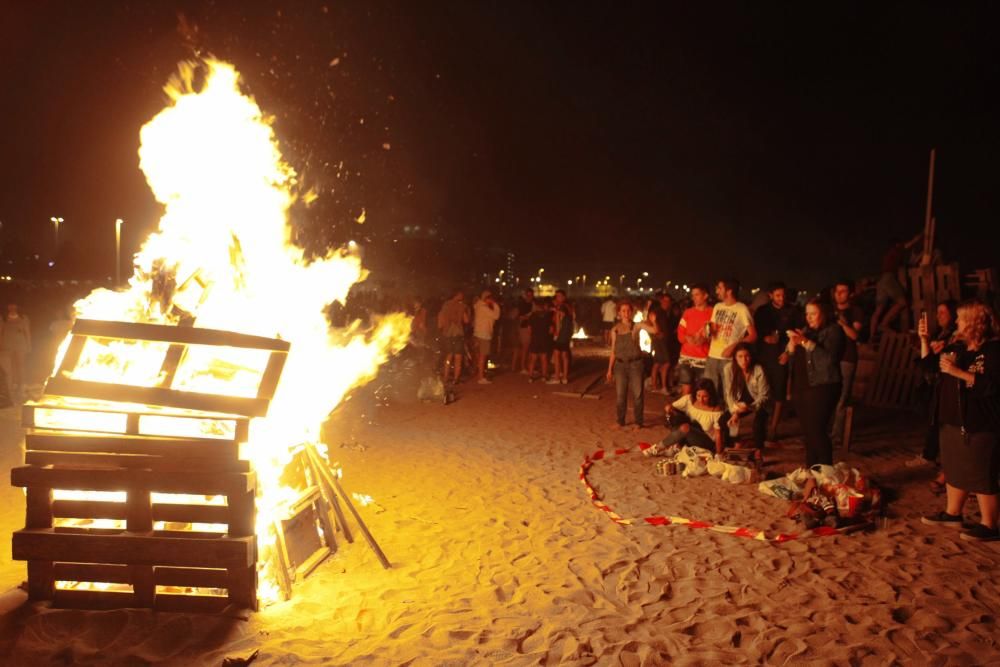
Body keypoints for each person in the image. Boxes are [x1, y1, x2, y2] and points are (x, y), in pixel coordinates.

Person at [921, 299, 1000, 541]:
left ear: (975, 323)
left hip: (981, 422)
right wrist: (924, 341)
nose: (956, 322)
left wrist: (958, 373)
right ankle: (953, 513)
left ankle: (990, 525)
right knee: (955, 467)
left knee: (981, 472)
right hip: (953, 420)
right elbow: (930, 366)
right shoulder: (960, 348)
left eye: (961, 318)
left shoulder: (994, 352)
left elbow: (993, 387)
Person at [787, 299, 844, 467]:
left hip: (823, 386)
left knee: (817, 431)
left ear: (824, 314)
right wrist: (791, 347)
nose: (809, 317)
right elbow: (794, 361)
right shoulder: (806, 331)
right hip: (802, 386)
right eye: (807, 314)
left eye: (813, 314)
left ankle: (826, 472)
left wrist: (805, 342)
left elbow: (828, 361)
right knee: (808, 433)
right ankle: (812, 472)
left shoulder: (834, 331)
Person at [908, 301, 958, 484]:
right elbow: (928, 362)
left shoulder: (956, 338)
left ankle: (948, 469)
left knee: (945, 425)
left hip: (952, 387)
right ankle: (938, 461)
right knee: (935, 420)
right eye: (938, 312)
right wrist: (923, 341)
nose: (939, 316)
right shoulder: (940, 333)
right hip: (937, 383)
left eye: (943, 312)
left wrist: (942, 348)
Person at [753, 282, 799, 440]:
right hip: (764, 356)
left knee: (779, 392)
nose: (782, 298)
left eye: (784, 295)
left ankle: (773, 427)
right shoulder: (762, 312)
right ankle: (760, 423)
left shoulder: (792, 311)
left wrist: (787, 353)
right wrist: (765, 337)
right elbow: (756, 333)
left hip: (781, 357)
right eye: (778, 295)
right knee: (762, 391)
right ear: (770, 295)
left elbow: (796, 335)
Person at [705, 278, 757, 394]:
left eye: (719, 288)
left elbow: (753, 336)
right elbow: (712, 329)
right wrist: (706, 331)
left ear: (729, 291)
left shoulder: (741, 309)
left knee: (729, 393)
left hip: (729, 359)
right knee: (709, 391)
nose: (716, 291)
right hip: (712, 356)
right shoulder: (717, 306)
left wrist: (733, 347)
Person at [606, 301, 653, 430]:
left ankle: (638, 422)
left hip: (636, 364)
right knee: (621, 396)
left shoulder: (636, 326)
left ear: (631, 312)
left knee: (638, 395)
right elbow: (613, 351)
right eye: (623, 311)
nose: (626, 313)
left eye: (628, 310)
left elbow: (654, 330)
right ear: (619, 313)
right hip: (620, 365)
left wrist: (651, 319)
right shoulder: (615, 330)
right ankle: (620, 421)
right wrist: (609, 369)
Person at [831, 279, 865, 445]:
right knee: (828, 396)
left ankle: (837, 436)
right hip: (830, 358)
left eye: (843, 291)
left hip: (847, 358)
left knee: (842, 398)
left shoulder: (856, 311)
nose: (839, 294)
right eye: (837, 291)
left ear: (850, 294)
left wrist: (843, 323)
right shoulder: (828, 311)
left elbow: (855, 335)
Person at [870, 232, 922, 339]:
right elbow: (910, 243)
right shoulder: (896, 250)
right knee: (902, 302)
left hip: (881, 280)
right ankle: (884, 324)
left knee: (878, 310)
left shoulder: (888, 254)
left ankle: (872, 336)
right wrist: (920, 236)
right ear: (897, 244)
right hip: (889, 278)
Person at [721, 342, 770, 452]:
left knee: (758, 423)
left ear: (751, 356)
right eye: (740, 356)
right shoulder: (728, 369)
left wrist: (749, 407)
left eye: (747, 356)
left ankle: (758, 450)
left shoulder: (758, 369)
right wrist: (735, 412)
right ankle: (735, 444)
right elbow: (729, 393)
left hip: (756, 404)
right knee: (724, 420)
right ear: (735, 357)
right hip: (738, 404)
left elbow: (764, 395)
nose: (744, 360)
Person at [655, 379, 724, 455]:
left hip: (706, 442)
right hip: (689, 436)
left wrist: (718, 453)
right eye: (698, 396)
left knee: (685, 427)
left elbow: (718, 434)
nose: (701, 400)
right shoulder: (689, 399)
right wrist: (668, 409)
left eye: (705, 397)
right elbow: (671, 407)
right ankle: (676, 447)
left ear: (711, 395)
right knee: (676, 419)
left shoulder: (716, 410)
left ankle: (657, 448)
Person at [676, 284, 712, 395]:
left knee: (702, 391)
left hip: (704, 358)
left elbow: (715, 335)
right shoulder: (688, 313)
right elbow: (680, 333)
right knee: (686, 390)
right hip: (686, 357)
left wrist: (705, 339)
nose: (694, 298)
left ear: (705, 295)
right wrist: (687, 338)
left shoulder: (713, 312)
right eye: (693, 295)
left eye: (697, 294)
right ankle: (685, 412)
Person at [0, 303, 32, 401]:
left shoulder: (23, 318)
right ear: (7, 307)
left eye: (14, 305)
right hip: (6, 345)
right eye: (10, 306)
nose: (12, 308)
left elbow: (27, 332)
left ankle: (21, 386)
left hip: (20, 345)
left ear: (17, 307)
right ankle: (10, 387)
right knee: (8, 367)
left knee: (20, 365)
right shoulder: (3, 318)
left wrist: (29, 345)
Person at [436, 290, 469, 384]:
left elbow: (440, 321)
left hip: (447, 334)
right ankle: (455, 379)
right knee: (458, 357)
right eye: (461, 294)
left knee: (448, 356)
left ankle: (446, 378)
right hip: (458, 333)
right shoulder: (461, 306)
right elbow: (466, 320)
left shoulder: (445, 306)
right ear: (457, 295)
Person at [650, 292, 679, 394]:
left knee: (658, 363)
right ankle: (662, 386)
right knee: (666, 363)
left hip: (665, 342)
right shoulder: (657, 312)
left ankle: (656, 386)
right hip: (659, 342)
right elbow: (649, 324)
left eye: (668, 301)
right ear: (661, 301)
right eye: (665, 300)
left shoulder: (667, 312)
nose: (667, 302)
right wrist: (655, 335)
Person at [472, 290, 501, 384]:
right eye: (491, 298)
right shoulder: (484, 308)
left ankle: (479, 374)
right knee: (482, 356)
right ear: (487, 298)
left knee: (479, 355)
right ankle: (481, 377)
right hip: (484, 334)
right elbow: (496, 316)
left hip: (478, 333)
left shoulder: (478, 306)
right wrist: (496, 305)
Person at [526, 299, 554, 382]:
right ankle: (544, 376)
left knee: (533, 358)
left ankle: (530, 376)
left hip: (535, 338)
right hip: (544, 338)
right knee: (544, 358)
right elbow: (551, 330)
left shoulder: (532, 316)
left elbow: (529, 329)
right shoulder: (548, 316)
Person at [551, 290, 574, 384]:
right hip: (567, 333)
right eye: (556, 296)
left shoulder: (561, 307)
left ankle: (557, 377)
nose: (557, 298)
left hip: (561, 334)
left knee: (557, 355)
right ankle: (565, 377)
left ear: (564, 297)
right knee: (565, 355)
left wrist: (556, 333)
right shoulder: (569, 307)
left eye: (559, 296)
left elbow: (558, 321)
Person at [513, 288, 535, 374]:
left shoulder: (533, 303)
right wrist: (529, 315)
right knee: (525, 348)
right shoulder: (522, 305)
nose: (529, 297)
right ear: (525, 295)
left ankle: (529, 366)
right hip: (524, 327)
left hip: (532, 327)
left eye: (531, 295)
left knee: (530, 348)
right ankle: (523, 367)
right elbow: (520, 317)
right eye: (528, 295)